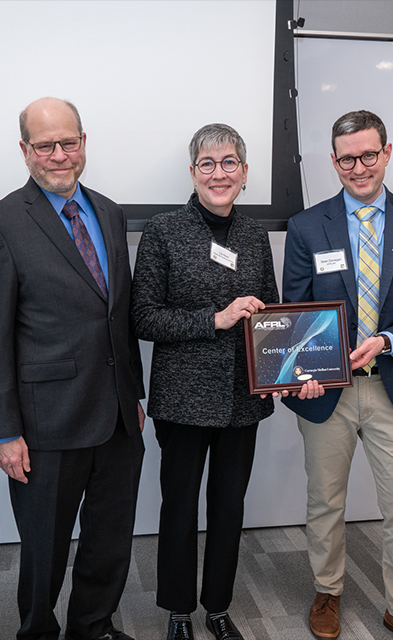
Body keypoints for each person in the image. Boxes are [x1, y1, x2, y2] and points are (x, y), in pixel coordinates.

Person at [0, 97, 145, 640]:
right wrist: (4, 430)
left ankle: (93, 626)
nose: (60, 154)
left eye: (69, 142)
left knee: (110, 538)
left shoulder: (109, 212)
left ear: (84, 142)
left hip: (116, 414)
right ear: (25, 151)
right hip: (45, 424)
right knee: (43, 548)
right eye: (45, 145)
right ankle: (37, 631)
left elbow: (118, 314)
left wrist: (133, 394)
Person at [131, 123, 315, 640]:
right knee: (181, 507)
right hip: (183, 400)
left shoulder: (256, 236)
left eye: (229, 162)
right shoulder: (163, 231)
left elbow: (271, 317)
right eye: (208, 164)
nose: (219, 173)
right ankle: (178, 612)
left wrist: (284, 369)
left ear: (245, 172)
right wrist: (215, 318)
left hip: (242, 400)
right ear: (193, 173)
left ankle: (216, 606)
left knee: (230, 506)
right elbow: (143, 318)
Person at [280, 110, 393, 640]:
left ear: (387, 153)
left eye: (368, 155)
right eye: (347, 158)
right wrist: (301, 369)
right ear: (334, 161)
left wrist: (388, 340)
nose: (359, 167)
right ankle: (327, 591)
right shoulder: (308, 225)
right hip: (329, 390)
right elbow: (297, 310)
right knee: (325, 500)